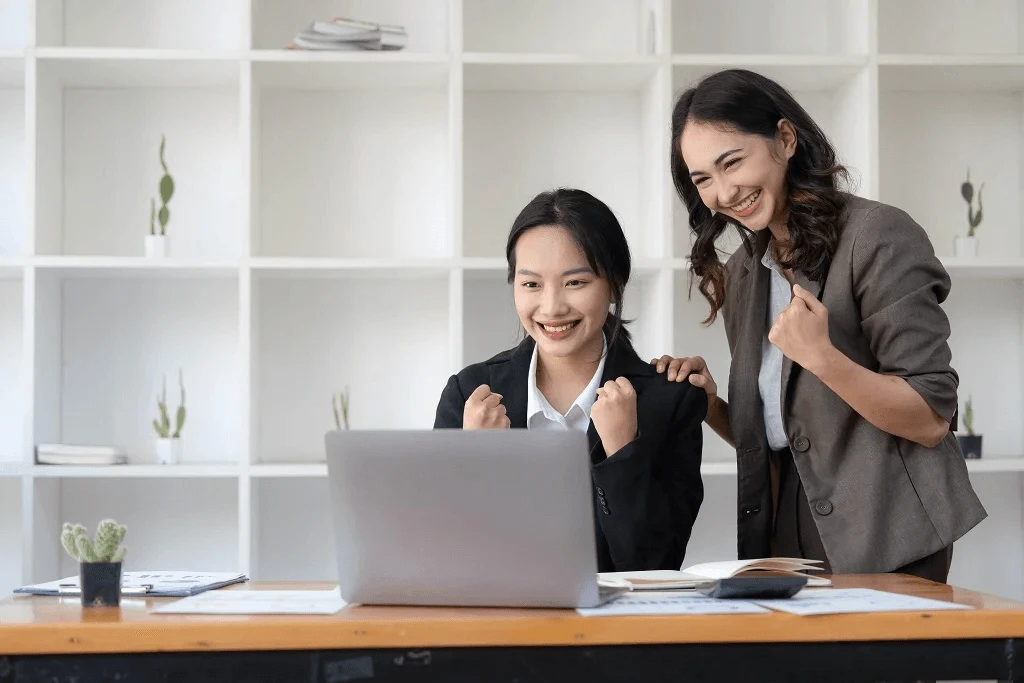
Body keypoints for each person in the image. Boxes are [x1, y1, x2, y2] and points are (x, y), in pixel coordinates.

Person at [654, 68, 986, 582]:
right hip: (784, 528)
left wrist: (823, 358)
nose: (722, 192)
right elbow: (789, 430)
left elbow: (930, 418)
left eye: (732, 162)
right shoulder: (745, 272)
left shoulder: (877, 235)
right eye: (702, 179)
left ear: (784, 140)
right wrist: (708, 404)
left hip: (888, 531)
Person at [434, 188, 706, 572]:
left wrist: (622, 452)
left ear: (614, 283)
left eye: (575, 282)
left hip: (615, 631)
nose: (552, 307)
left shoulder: (670, 401)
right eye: (531, 284)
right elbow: (444, 556)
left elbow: (654, 564)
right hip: (499, 627)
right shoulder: (469, 397)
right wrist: (482, 463)